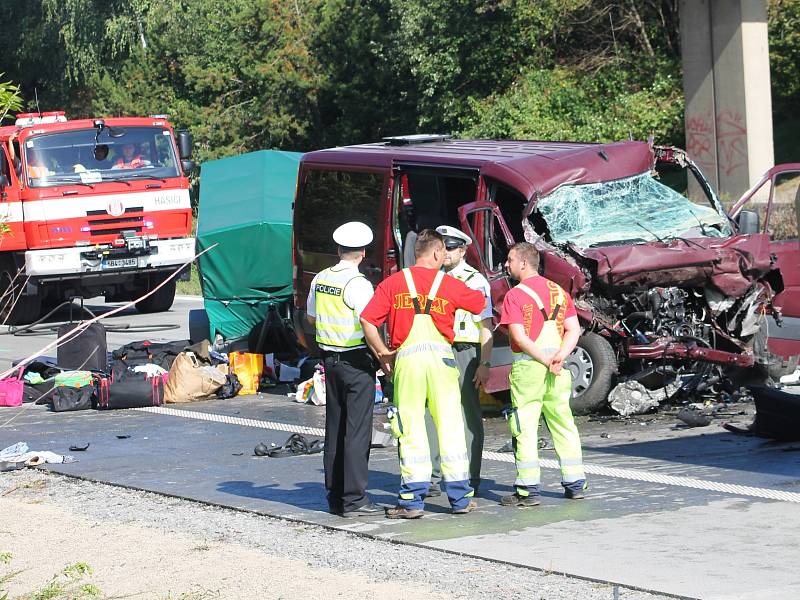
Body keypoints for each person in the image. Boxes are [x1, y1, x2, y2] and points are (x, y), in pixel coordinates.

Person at [360, 229, 486, 519]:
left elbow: (367, 319)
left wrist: (383, 353)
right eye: (442, 252)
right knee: (451, 425)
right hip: (442, 360)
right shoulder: (449, 283)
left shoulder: (393, 283)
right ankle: (460, 498)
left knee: (411, 427)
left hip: (407, 359)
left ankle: (412, 501)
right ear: (435, 253)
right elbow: (479, 304)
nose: (444, 257)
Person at [499, 242, 587, 507]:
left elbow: (518, 335)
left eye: (510, 259)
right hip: (558, 370)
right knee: (563, 423)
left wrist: (543, 358)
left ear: (524, 263)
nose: (506, 264)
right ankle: (575, 483)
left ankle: (528, 489)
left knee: (524, 426)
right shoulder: (559, 292)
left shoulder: (515, 295)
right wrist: (560, 355)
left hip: (530, 368)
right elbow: (574, 330)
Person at [306, 221, 382, 517]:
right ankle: (355, 500)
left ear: (339, 250)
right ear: (362, 252)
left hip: (329, 363)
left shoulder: (320, 278)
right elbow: (370, 324)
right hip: (355, 362)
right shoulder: (358, 285)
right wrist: (383, 355)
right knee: (357, 432)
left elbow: (311, 318)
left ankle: (335, 496)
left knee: (335, 431)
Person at [424, 225, 493, 496]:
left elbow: (486, 324)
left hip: (465, 350)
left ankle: (468, 476)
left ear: (463, 250)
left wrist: (485, 364)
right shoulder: (433, 277)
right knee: (432, 410)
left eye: (451, 248)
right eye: (442, 247)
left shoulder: (475, 281)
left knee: (467, 413)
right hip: (437, 347)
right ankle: (430, 475)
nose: (446, 253)